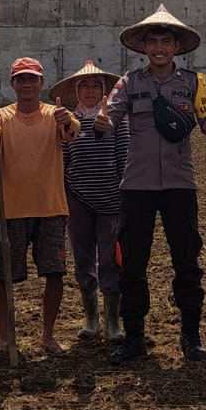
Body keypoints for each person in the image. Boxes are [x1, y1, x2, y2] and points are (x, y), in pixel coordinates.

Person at [93, 5, 206, 364]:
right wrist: (102, 121)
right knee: (132, 262)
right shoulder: (129, 83)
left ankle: (190, 335)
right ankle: (134, 335)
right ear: (143, 47)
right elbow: (110, 117)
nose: (158, 48)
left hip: (181, 185)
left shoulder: (194, 83)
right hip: (137, 185)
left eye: (165, 41)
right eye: (152, 41)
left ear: (177, 46)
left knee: (187, 261)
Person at [0, 57, 79, 356]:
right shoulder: (0, 117)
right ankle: (3, 336)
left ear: (41, 83)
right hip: (10, 209)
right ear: (12, 84)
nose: (26, 84)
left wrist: (67, 121)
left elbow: (71, 133)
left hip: (50, 207)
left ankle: (47, 336)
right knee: (2, 275)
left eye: (32, 79)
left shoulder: (57, 115)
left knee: (54, 272)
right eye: (20, 79)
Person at [50, 59, 130, 343]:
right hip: (78, 200)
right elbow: (64, 160)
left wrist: (124, 196)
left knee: (110, 260)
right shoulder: (67, 122)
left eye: (97, 86)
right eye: (85, 85)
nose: (91, 91)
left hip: (111, 199)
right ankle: (91, 318)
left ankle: (112, 322)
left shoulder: (117, 121)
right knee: (83, 259)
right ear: (76, 90)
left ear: (105, 91)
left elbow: (124, 158)